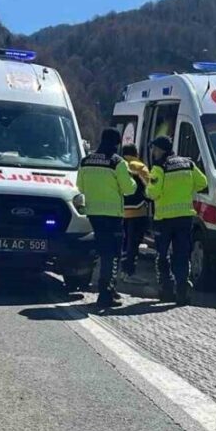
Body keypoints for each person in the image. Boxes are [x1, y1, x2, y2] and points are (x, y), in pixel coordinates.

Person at [76, 128, 137, 309]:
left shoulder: (85, 161)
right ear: (117, 143)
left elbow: (80, 186)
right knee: (112, 256)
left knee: (102, 252)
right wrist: (132, 180)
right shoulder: (117, 162)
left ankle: (107, 289)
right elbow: (129, 189)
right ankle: (106, 293)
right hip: (112, 216)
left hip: (93, 213)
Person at [146, 135, 208, 305]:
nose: (153, 152)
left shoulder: (159, 167)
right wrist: (186, 189)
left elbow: (152, 193)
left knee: (162, 255)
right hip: (184, 217)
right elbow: (202, 182)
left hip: (164, 219)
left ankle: (166, 290)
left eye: (154, 148)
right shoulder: (188, 163)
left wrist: (149, 189)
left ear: (160, 150)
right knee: (181, 255)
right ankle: (182, 291)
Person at [119, 143, 150, 283]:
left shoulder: (118, 164)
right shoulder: (139, 167)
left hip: (121, 211)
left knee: (124, 243)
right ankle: (130, 273)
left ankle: (122, 271)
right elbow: (150, 187)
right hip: (137, 211)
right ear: (136, 153)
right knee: (134, 243)